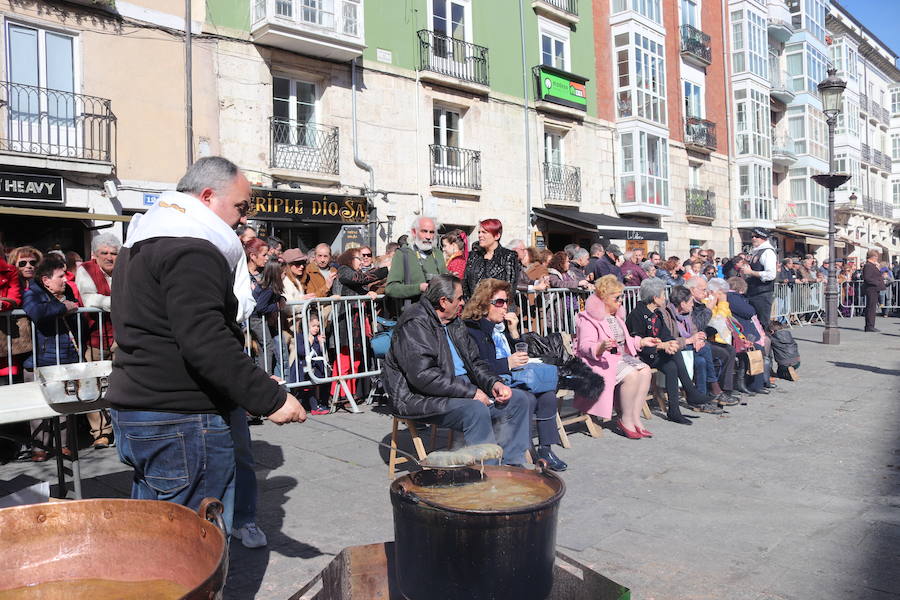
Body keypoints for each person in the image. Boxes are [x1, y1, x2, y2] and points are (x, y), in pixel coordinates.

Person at [108, 156, 306, 536]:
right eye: (241, 206)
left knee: (150, 539)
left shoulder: (146, 239)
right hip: (179, 418)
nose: (244, 218)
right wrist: (271, 399)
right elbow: (204, 339)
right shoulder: (191, 246)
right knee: (187, 546)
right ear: (209, 196)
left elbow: (177, 332)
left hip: (145, 411)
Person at [383, 274, 531, 466]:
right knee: (475, 410)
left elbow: (475, 361)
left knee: (518, 399)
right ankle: (489, 475)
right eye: (460, 298)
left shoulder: (454, 322)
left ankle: (513, 465)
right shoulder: (415, 324)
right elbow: (424, 376)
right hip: (420, 396)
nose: (463, 302)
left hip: (458, 387)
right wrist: (471, 392)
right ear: (444, 301)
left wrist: (494, 382)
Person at [462, 279, 567, 470]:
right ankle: (519, 453)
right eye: (499, 302)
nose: (504, 308)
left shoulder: (499, 328)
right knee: (527, 398)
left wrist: (513, 331)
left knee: (548, 396)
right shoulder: (474, 330)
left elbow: (517, 352)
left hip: (512, 377)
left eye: (507, 302)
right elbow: (478, 366)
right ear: (484, 303)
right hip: (494, 383)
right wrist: (507, 363)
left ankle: (545, 450)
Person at [625, 278, 721, 422]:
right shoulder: (637, 315)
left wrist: (671, 344)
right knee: (674, 358)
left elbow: (666, 334)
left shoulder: (656, 313)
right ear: (654, 298)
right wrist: (666, 346)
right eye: (662, 295)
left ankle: (674, 411)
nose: (664, 298)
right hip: (643, 355)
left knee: (671, 366)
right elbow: (638, 343)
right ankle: (691, 392)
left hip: (658, 352)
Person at [574, 275, 657, 438]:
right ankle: (625, 418)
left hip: (618, 358)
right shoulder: (588, 318)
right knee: (632, 374)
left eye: (621, 297)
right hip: (598, 362)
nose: (620, 301)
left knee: (646, 371)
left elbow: (625, 341)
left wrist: (642, 342)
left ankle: (634, 417)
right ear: (604, 298)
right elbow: (584, 346)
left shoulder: (616, 317)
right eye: (617, 297)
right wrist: (600, 346)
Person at [22, 255, 82, 461]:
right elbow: (37, 312)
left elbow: (75, 309)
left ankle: (64, 446)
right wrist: (64, 307)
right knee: (38, 407)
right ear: (46, 280)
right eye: (60, 276)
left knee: (65, 405)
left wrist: (69, 306)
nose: (65, 280)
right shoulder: (33, 293)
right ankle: (39, 448)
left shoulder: (68, 291)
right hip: (40, 359)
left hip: (66, 357)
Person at [75, 233, 121, 449]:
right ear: (95, 255)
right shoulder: (86, 269)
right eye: (104, 253)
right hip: (95, 337)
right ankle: (101, 432)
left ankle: (123, 427)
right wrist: (120, 302)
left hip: (122, 337)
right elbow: (89, 299)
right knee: (92, 384)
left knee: (122, 383)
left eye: (114, 253)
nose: (109, 257)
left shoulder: (125, 269)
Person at [661, 286, 739, 408]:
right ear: (682, 303)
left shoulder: (687, 314)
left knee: (701, 359)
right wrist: (690, 340)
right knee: (707, 349)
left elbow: (695, 331)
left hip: (689, 348)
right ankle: (714, 388)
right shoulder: (666, 315)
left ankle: (701, 398)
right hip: (674, 350)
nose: (692, 305)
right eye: (690, 302)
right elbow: (668, 340)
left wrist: (699, 339)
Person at [684, 277, 740, 404]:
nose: (706, 293)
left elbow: (723, 319)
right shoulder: (689, 302)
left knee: (729, 350)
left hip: (704, 337)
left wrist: (721, 303)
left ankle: (725, 389)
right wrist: (709, 308)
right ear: (692, 290)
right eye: (703, 290)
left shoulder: (699, 302)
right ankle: (715, 389)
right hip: (691, 341)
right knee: (721, 353)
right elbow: (700, 323)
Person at [386, 216, 447, 312]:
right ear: (414, 232)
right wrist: (419, 288)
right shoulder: (403, 254)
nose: (428, 237)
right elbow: (390, 289)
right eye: (424, 231)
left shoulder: (438, 254)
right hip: (414, 316)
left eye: (431, 232)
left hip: (437, 315)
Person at [462, 219, 521, 300]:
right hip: (474, 308)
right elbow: (465, 285)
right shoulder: (473, 256)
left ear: (497, 235)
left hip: (498, 307)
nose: (480, 235)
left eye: (484, 232)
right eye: (479, 232)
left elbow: (510, 289)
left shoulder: (508, 256)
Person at [741, 228, 777, 323]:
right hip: (753, 292)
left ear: (763, 238)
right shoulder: (756, 251)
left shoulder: (768, 252)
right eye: (752, 236)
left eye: (756, 236)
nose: (753, 238)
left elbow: (771, 274)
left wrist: (751, 272)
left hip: (762, 294)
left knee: (762, 323)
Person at [862, 249, 886, 332]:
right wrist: (877, 283)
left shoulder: (873, 265)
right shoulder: (868, 265)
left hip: (874, 289)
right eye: (876, 256)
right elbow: (867, 278)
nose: (877, 258)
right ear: (873, 257)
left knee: (872, 307)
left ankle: (871, 325)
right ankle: (869, 326)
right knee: (871, 308)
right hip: (871, 289)